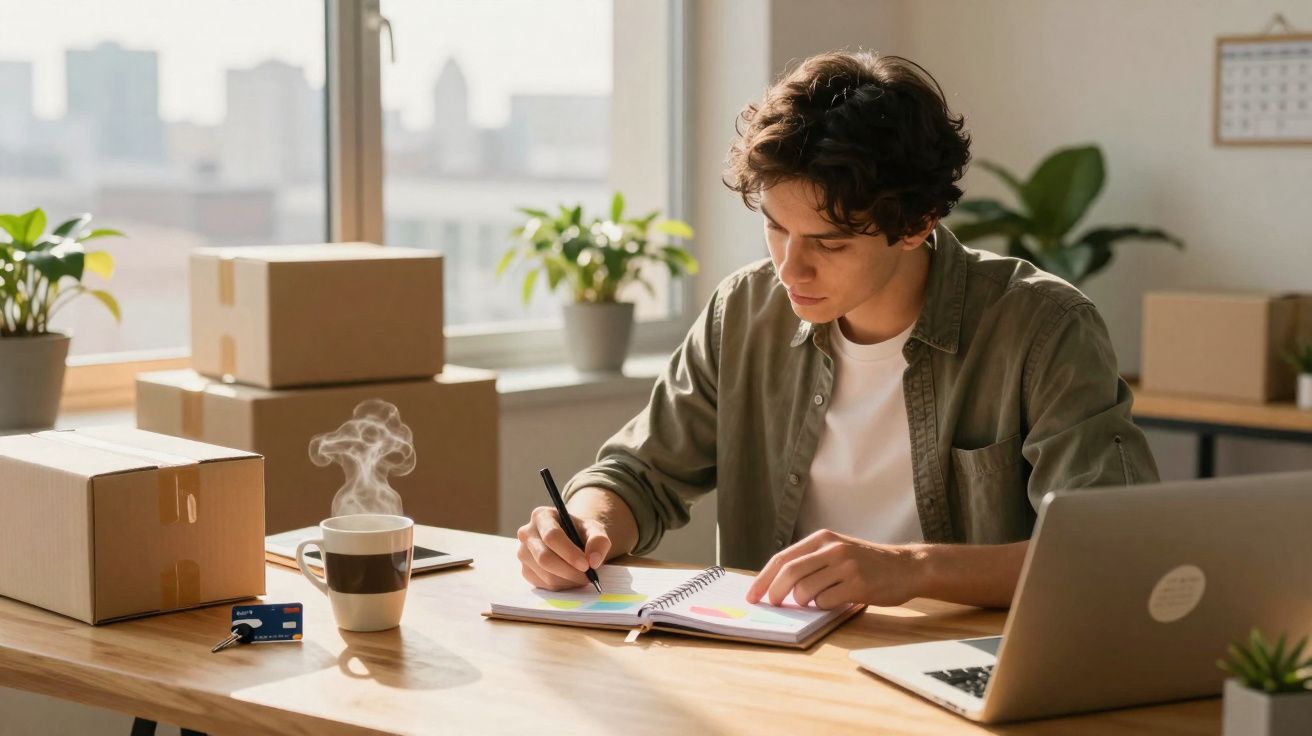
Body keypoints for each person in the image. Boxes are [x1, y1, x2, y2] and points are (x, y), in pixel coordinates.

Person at [515, 50, 1159, 610]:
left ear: (917, 224)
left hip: (963, 663)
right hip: (785, 660)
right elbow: (640, 475)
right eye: (775, 226)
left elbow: (1111, 547)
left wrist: (911, 569)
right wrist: (584, 525)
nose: (790, 267)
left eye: (829, 242)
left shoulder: (1042, 328)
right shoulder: (743, 312)